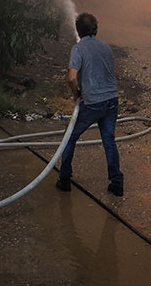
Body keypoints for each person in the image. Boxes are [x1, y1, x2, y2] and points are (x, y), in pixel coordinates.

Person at [56, 13, 124, 196]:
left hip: (92, 103)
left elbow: (71, 78)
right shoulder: (106, 47)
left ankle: (64, 179)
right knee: (109, 141)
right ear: (96, 28)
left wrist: (76, 93)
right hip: (111, 101)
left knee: (70, 137)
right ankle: (117, 183)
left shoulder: (78, 49)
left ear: (78, 30)